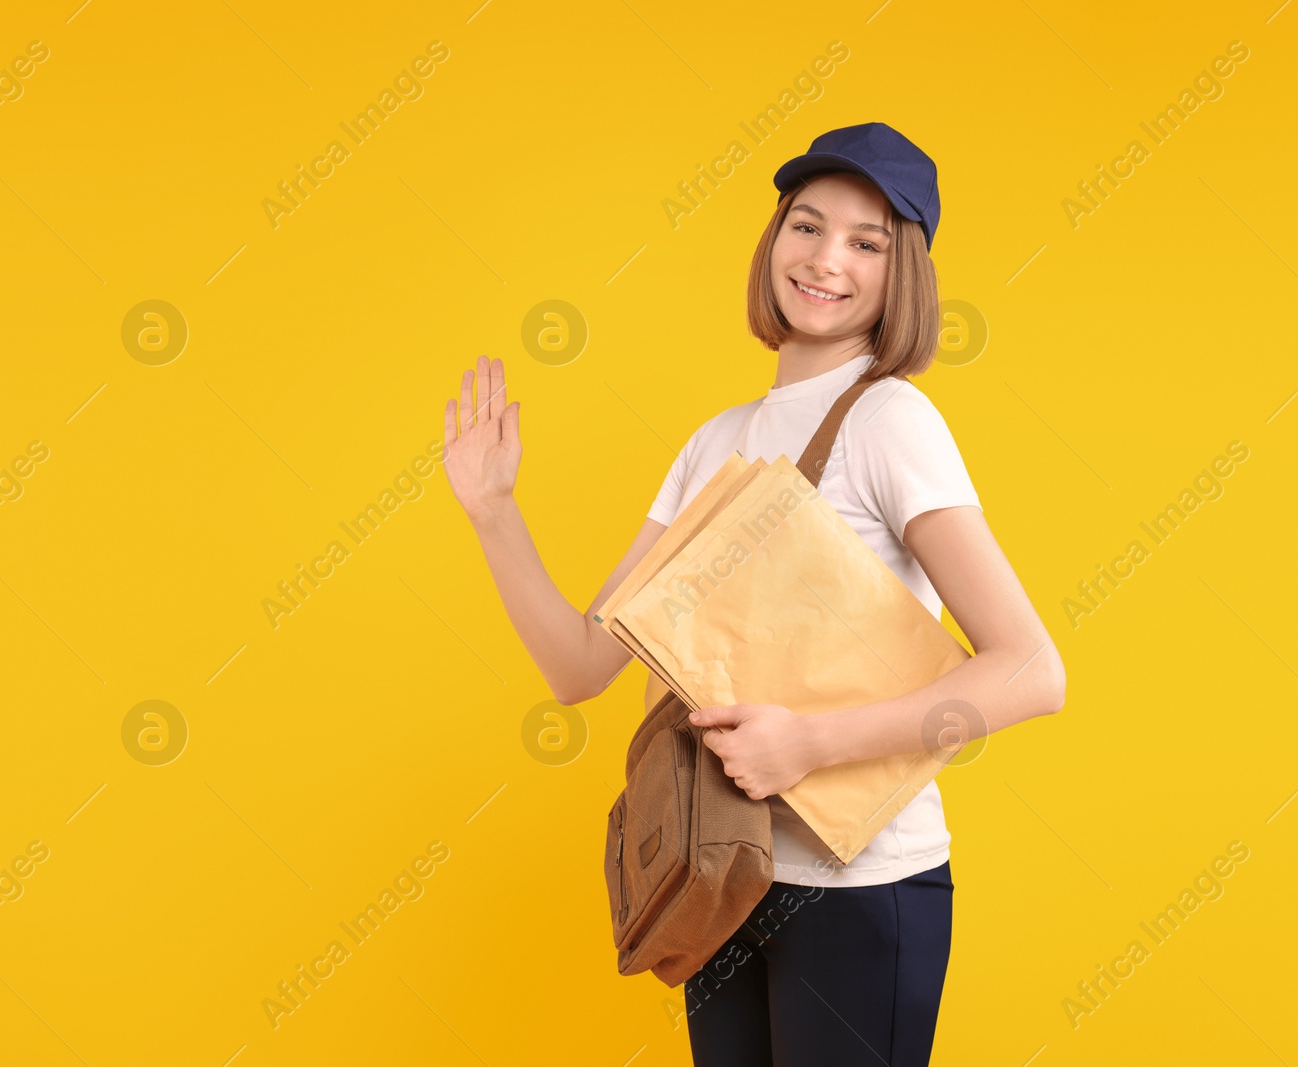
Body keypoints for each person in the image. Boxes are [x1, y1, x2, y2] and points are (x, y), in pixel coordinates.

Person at [439, 122, 1067, 1066]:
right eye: (807, 227)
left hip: (862, 889)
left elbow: (1032, 671)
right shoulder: (715, 440)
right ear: (773, 241)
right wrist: (492, 510)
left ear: (905, 277)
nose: (826, 260)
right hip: (723, 874)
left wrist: (808, 743)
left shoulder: (892, 419)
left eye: (867, 242)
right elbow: (580, 664)